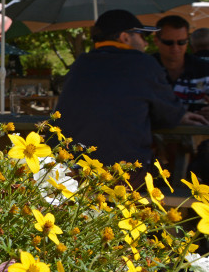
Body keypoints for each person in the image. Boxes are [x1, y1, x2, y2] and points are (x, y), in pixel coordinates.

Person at [56, 9, 206, 186]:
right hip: (122, 175)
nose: (145, 44)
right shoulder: (144, 63)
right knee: (169, 180)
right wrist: (181, 115)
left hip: (70, 173)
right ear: (125, 37)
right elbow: (169, 116)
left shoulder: (79, 64)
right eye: (142, 36)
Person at [152, 15, 209, 112]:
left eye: (181, 42)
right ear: (156, 41)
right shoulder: (145, 68)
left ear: (188, 42)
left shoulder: (205, 69)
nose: (175, 47)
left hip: (198, 126)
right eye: (169, 42)